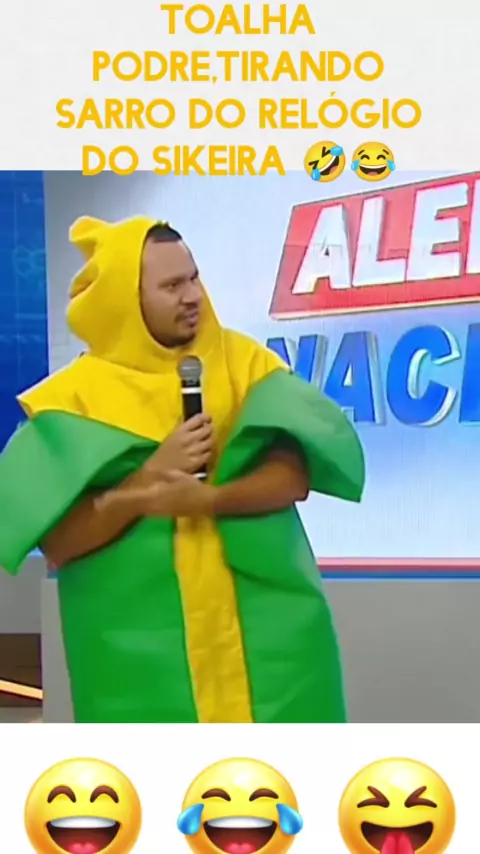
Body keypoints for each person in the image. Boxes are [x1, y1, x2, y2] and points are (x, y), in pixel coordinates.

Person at [0, 215, 365, 724]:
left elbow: (292, 478)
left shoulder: (245, 364)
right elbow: (60, 545)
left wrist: (209, 500)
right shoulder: (73, 401)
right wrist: (144, 485)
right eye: (172, 286)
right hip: (141, 665)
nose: (192, 296)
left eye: (193, 278)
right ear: (127, 299)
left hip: (272, 652)